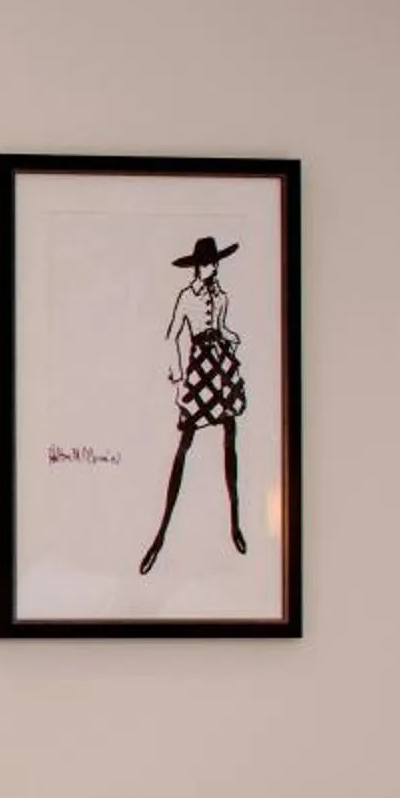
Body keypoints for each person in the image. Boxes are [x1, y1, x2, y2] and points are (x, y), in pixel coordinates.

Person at [137, 235, 249, 574]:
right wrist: (177, 378)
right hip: (199, 369)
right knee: (184, 445)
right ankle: (160, 535)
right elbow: (172, 334)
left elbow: (222, 327)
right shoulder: (186, 297)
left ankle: (235, 521)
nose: (210, 268)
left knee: (231, 438)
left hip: (221, 367)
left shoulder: (223, 296)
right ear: (196, 266)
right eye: (205, 263)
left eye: (214, 262)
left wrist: (230, 336)